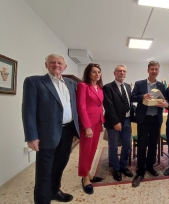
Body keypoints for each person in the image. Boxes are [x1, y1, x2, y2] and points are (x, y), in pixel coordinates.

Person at [22, 54, 79, 203]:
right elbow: (28, 111)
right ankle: (42, 200)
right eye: (52, 62)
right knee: (44, 170)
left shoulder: (71, 83)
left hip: (67, 132)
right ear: (46, 65)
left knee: (60, 165)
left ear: (65, 67)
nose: (56, 65)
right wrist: (31, 136)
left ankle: (54, 191)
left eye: (59, 63)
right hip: (46, 133)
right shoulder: (34, 82)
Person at [131, 61, 168, 187]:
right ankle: (140, 171)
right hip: (143, 119)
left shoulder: (161, 85)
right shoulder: (139, 83)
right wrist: (143, 96)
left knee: (153, 144)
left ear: (158, 71)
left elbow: (165, 99)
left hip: (156, 119)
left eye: (156, 69)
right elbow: (133, 97)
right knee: (142, 144)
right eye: (152, 69)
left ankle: (150, 166)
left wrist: (164, 102)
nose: (154, 71)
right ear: (148, 70)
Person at [76, 63, 105, 194]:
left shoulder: (99, 87)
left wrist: (101, 122)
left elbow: (99, 105)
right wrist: (87, 126)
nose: (97, 74)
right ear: (88, 73)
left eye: (98, 72)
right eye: (94, 72)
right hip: (88, 123)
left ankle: (89, 174)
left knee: (93, 150)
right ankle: (84, 177)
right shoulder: (83, 86)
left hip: (98, 122)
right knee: (85, 151)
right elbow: (81, 107)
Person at [103, 65, 134, 182]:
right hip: (114, 122)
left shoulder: (127, 87)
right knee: (114, 146)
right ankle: (115, 168)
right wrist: (116, 121)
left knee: (127, 145)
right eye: (119, 71)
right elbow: (109, 106)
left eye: (124, 71)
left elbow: (130, 103)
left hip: (127, 121)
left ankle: (123, 166)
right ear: (114, 73)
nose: (122, 73)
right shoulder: (108, 87)